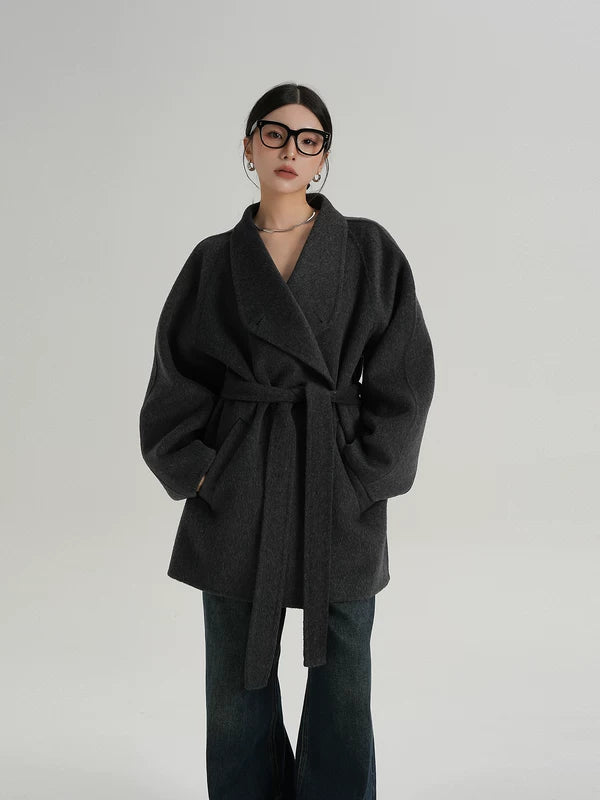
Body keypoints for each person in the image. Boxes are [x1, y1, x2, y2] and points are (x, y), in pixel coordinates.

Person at [139, 81, 436, 800]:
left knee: (344, 678)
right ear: (249, 145)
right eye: (273, 133)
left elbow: (405, 375)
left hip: (336, 477)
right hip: (240, 480)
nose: (289, 150)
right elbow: (175, 375)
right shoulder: (215, 259)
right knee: (234, 679)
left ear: (323, 157)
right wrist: (203, 473)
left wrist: (367, 473)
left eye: (308, 140)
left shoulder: (367, 249)